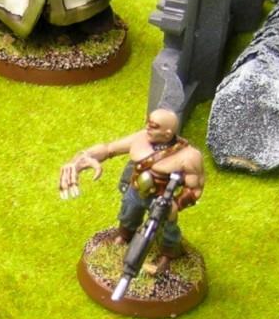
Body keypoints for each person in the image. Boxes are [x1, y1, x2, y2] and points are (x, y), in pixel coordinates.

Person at [59, 108, 205, 275]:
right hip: (135, 190)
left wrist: (176, 204)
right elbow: (109, 149)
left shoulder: (188, 156)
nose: (147, 127)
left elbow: (195, 188)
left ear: (167, 133)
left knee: (167, 228)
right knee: (128, 214)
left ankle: (168, 253)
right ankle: (124, 235)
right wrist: (81, 158)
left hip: (161, 199)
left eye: (153, 126)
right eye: (148, 123)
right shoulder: (141, 139)